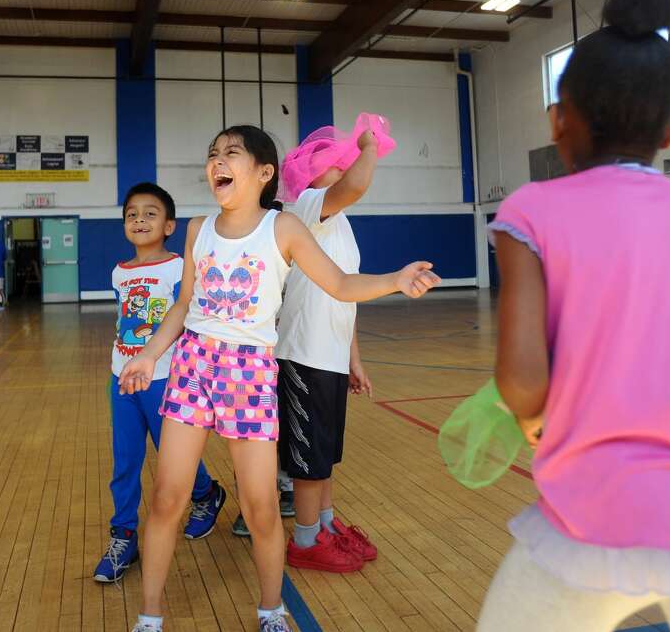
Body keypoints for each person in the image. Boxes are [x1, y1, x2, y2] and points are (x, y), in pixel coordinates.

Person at [479, 0, 670, 631]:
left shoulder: (529, 212)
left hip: (596, 516)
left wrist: (547, 415)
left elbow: (522, 381)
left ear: (557, 118)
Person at [119, 125, 440, 632]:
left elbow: (337, 283)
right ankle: (150, 616)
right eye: (212, 154)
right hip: (193, 366)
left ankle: (271, 609)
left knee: (263, 504)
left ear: (264, 172)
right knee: (166, 497)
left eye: (231, 153)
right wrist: (149, 354)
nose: (217, 161)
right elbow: (184, 305)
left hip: (248, 371)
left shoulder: (284, 228)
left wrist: (394, 281)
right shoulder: (198, 229)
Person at [94, 182, 225, 584]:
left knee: (173, 456)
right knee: (126, 462)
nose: (139, 219)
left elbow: (188, 314)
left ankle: (205, 494)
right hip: (123, 379)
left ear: (169, 225)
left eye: (150, 213)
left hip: (168, 378)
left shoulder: (178, 268)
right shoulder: (120, 272)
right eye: (132, 214)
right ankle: (124, 535)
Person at [275, 128, 382, 573]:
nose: (343, 164)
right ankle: (303, 541)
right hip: (304, 355)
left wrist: (354, 359)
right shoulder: (306, 209)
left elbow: (346, 294)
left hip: (332, 357)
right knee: (307, 457)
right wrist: (371, 147)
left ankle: (325, 527)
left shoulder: (341, 224)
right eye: (335, 162)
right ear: (313, 175)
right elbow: (355, 184)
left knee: (324, 453)